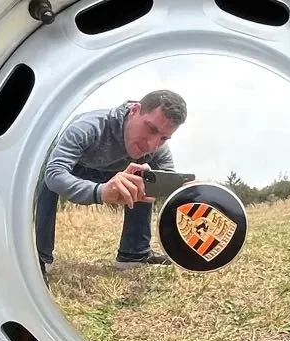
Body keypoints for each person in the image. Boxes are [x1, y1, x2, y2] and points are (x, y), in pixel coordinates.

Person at [35, 89, 187, 272]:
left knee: (147, 179)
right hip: (78, 169)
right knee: (48, 181)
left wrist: (190, 191)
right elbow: (55, 172)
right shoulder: (88, 126)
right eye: (151, 129)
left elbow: (168, 183)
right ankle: (39, 255)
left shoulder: (158, 149)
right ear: (135, 110)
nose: (152, 145)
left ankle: (134, 253)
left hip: (120, 174)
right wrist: (100, 191)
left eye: (163, 138)